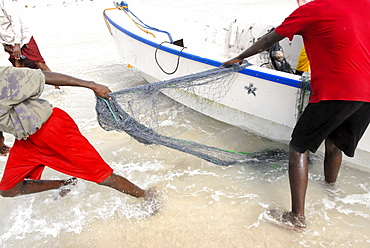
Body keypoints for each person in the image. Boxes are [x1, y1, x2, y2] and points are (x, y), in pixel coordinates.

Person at [222, 0, 370, 231]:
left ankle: (296, 217)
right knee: (334, 143)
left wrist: (238, 57)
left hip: (337, 90)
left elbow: (268, 40)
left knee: (298, 148)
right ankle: (331, 192)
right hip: (366, 93)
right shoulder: (363, 5)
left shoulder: (311, 10)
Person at [0, 66, 159, 208]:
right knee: (8, 189)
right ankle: (67, 183)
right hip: (26, 140)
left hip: (52, 129)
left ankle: (147, 195)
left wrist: (91, 85)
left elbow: (42, 76)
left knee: (103, 177)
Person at [0, 0, 58, 88]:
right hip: (8, 41)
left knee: (40, 64)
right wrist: (4, 44)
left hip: (23, 39)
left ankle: (58, 89)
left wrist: (17, 44)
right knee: (18, 69)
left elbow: (16, 21)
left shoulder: (5, 2)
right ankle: (26, 92)